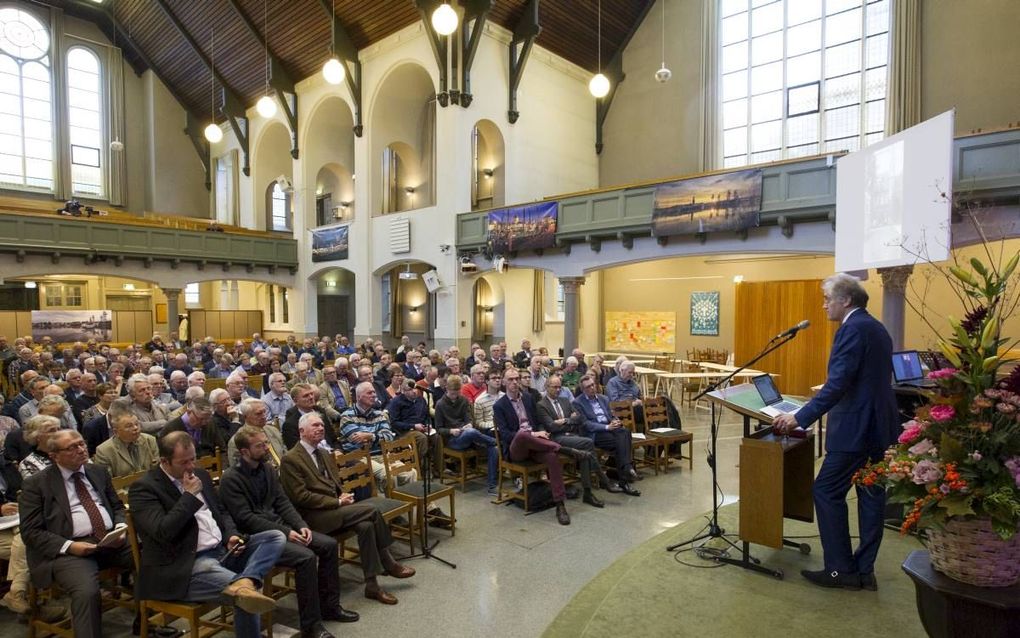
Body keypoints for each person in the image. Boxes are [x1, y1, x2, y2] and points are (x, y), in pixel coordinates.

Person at [773, 274, 898, 591]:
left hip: (855, 430)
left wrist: (800, 417)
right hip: (878, 429)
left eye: (828, 298)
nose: (824, 304)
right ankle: (863, 571)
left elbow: (838, 384)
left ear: (847, 300)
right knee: (871, 496)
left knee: (826, 491)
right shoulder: (877, 328)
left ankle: (840, 569)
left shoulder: (851, 329)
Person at [129, 431, 284, 635]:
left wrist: (230, 536)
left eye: (193, 459)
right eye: (183, 462)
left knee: (275, 536)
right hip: (186, 564)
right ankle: (244, 587)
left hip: (222, 552)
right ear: (164, 461)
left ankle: (246, 580)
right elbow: (162, 532)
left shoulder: (199, 474)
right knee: (246, 599)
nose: (191, 466)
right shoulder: (144, 488)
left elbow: (220, 511)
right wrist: (189, 496)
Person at [220, 426, 359, 637]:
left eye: (266, 442)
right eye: (260, 445)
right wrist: (286, 531)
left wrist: (301, 525)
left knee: (328, 545)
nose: (267, 447)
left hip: (279, 527)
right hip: (257, 539)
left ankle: (330, 607)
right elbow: (245, 519)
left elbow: (282, 502)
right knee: (306, 557)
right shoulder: (231, 478)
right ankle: (311, 625)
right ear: (244, 452)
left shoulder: (266, 469)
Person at [280, 412, 415, 605]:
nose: (321, 428)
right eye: (315, 426)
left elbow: (335, 484)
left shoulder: (325, 454)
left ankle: (372, 585)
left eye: (321, 425)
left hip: (334, 510)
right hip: (313, 518)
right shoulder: (291, 459)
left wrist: (342, 495)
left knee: (366, 525)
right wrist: (336, 502)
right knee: (373, 511)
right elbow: (300, 497)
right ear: (301, 431)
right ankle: (388, 561)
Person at [19, 430, 134, 637]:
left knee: (153, 555)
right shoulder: (36, 484)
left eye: (81, 444)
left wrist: (119, 529)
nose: (81, 450)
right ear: (54, 455)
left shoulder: (97, 471)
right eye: (72, 447)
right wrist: (71, 546)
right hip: (68, 549)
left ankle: (146, 621)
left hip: (109, 539)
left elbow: (117, 506)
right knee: (87, 592)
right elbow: (31, 532)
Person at [493, 368, 571, 525]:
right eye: (510, 379)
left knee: (552, 457)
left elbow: (537, 423)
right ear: (503, 382)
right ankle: (560, 447)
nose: (515, 382)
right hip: (517, 449)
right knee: (522, 434)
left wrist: (541, 431)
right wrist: (534, 435)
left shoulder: (528, 398)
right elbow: (506, 435)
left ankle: (560, 504)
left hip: (535, 446)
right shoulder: (499, 405)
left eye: (517, 378)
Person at [536, 374, 622, 507]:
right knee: (588, 443)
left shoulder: (565, 400)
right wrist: (570, 421)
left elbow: (579, 418)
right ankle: (604, 481)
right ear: (547, 387)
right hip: (556, 439)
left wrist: (565, 420)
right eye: (554, 387)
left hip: (571, 435)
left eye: (560, 387)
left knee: (584, 455)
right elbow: (551, 426)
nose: (558, 390)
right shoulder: (541, 405)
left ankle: (588, 493)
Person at [573, 375, 642, 493]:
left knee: (625, 432)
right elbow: (586, 424)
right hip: (596, 433)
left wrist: (615, 421)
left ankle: (625, 472)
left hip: (610, 429)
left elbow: (611, 415)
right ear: (583, 389)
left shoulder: (603, 398)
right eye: (588, 387)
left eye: (593, 384)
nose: (592, 388)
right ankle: (626, 474)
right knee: (621, 443)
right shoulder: (578, 402)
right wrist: (606, 427)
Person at [435, 376, 498, 496]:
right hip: (453, 440)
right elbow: (438, 429)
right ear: (447, 389)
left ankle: (492, 485)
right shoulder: (440, 404)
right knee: (473, 433)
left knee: (492, 448)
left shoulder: (463, 400)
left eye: (457, 393)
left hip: (467, 435)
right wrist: (451, 431)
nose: (455, 396)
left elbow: (468, 419)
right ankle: (495, 441)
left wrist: (468, 424)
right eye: (453, 393)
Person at [93, 411, 159, 478]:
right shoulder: (104, 451)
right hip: (124, 488)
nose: (135, 428)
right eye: (129, 426)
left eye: (137, 424)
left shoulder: (150, 440)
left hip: (151, 486)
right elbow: (107, 482)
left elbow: (158, 470)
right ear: (116, 432)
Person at [227, 398, 286, 469]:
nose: (264, 416)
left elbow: (285, 454)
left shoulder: (273, 430)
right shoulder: (236, 441)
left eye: (264, 412)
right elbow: (238, 470)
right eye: (258, 414)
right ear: (245, 417)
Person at [160, 397, 227, 459]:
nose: (204, 423)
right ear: (189, 412)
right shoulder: (170, 429)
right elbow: (166, 458)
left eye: (207, 419)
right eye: (201, 419)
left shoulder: (210, 423)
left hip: (212, 467)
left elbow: (222, 449)